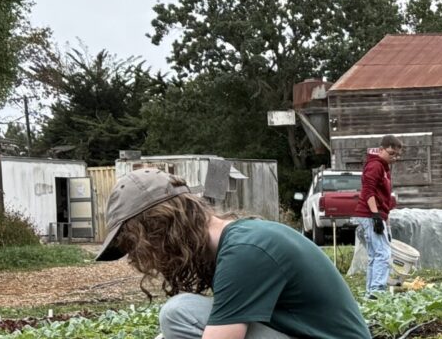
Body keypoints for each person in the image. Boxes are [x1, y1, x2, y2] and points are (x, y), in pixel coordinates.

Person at [96, 169, 369, 339]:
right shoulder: (240, 241)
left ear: (159, 228)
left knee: (178, 313)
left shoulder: (245, 252)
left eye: (138, 247)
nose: (143, 259)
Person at [358, 135, 405, 297]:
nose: (394, 158)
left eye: (397, 155)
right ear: (381, 150)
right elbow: (368, 191)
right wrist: (375, 215)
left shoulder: (385, 168)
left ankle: (370, 292)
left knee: (374, 254)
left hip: (378, 214)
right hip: (370, 214)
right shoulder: (375, 165)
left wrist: (387, 224)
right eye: (391, 153)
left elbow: (385, 199)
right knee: (383, 253)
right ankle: (377, 291)